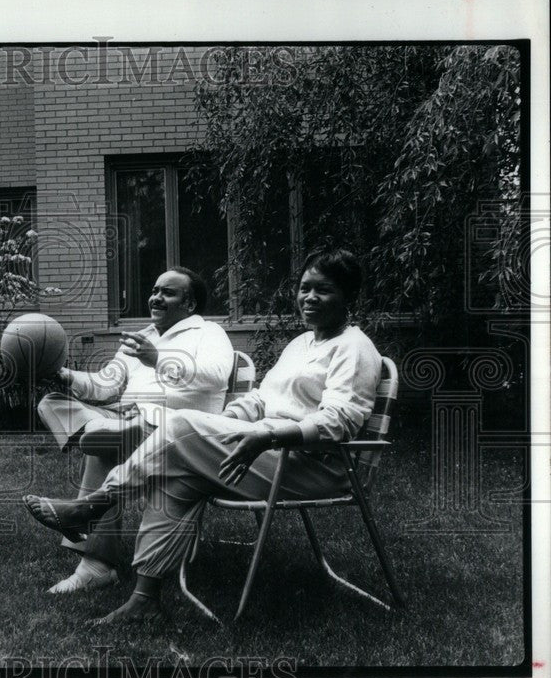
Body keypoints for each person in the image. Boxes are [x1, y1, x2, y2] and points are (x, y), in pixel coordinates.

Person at [25, 249, 382, 623]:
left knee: (179, 428)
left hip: (307, 464)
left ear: (348, 297)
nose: (309, 298)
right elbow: (261, 398)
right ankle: (144, 600)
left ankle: (92, 505)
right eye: (305, 288)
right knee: (176, 475)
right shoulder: (301, 344)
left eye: (322, 290)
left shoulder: (353, 348)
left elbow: (340, 421)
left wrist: (267, 436)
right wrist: (228, 421)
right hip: (257, 448)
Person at [36, 267, 234, 593]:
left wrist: (158, 359)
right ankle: (104, 431)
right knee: (52, 402)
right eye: (155, 290)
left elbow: (215, 376)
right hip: (126, 422)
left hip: (175, 434)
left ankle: (95, 564)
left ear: (190, 304)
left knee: (106, 444)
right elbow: (106, 384)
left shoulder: (209, 332)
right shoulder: (144, 336)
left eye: (167, 292)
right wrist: (64, 376)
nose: (156, 297)